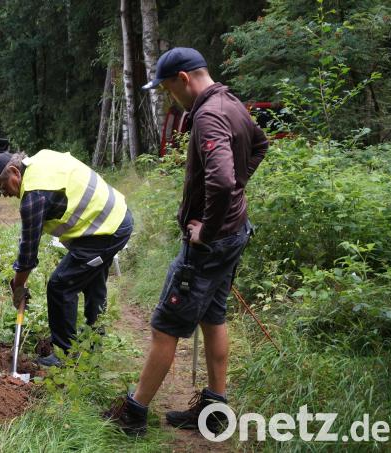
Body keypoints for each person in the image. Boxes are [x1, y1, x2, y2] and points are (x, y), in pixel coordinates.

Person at [105, 47, 268, 435]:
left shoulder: (209, 114)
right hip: (235, 233)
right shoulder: (231, 102)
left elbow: (224, 180)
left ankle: (134, 413)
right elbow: (260, 145)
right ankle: (214, 411)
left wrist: (206, 230)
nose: (170, 98)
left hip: (210, 244)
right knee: (213, 317)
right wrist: (235, 200)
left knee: (165, 326)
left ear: (184, 79)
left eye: (168, 90)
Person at [0, 150, 133, 367]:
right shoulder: (41, 161)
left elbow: (28, 252)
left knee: (60, 285)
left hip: (107, 230)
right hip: (113, 218)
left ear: (15, 172)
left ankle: (64, 355)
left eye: (4, 188)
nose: (6, 194)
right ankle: (94, 344)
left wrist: (18, 286)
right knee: (93, 281)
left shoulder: (34, 195)